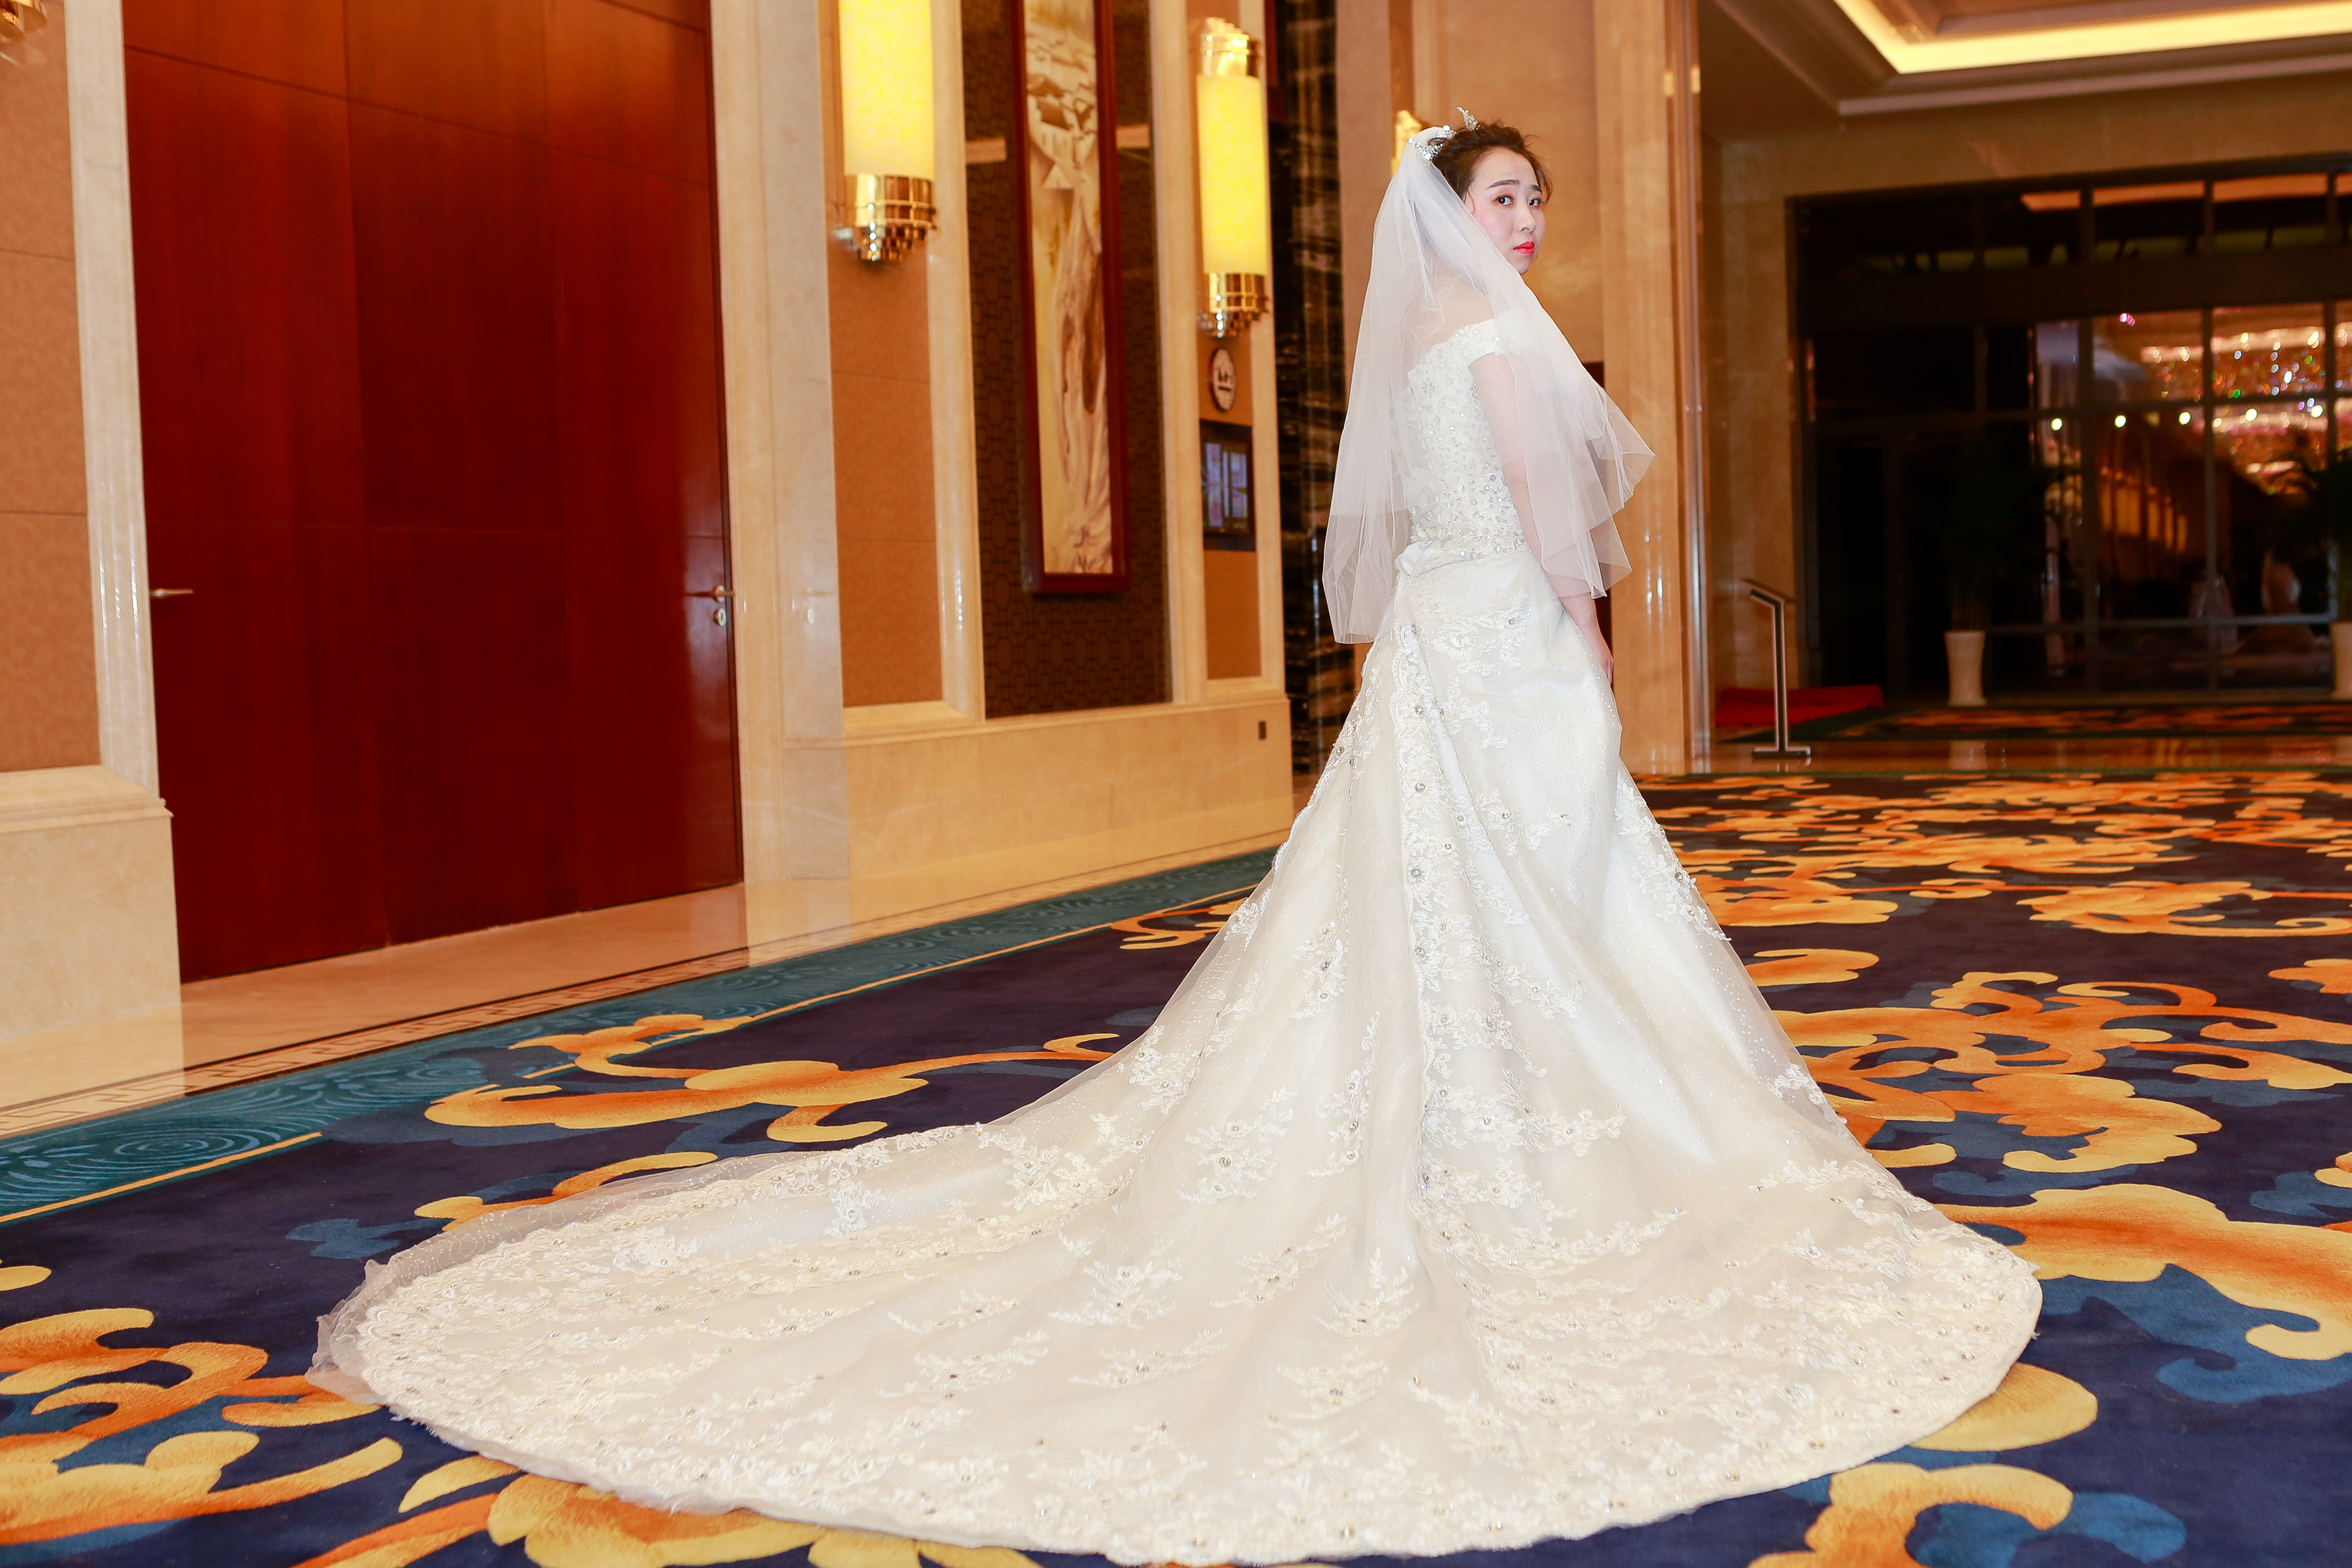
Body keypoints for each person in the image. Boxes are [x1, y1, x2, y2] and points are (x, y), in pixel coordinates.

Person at [313, 114, 2039, 1565]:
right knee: (1546, 898)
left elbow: (1416, 529)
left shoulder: (1427, 346)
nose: (1525, 220)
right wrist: (1592, 650)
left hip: (1434, 656)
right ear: (1454, 211)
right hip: (1499, 653)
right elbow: (1547, 528)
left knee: (1442, 902)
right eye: (1505, 196)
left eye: (1535, 200)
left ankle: (1486, 1111)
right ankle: (1556, 1140)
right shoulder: (1509, 344)